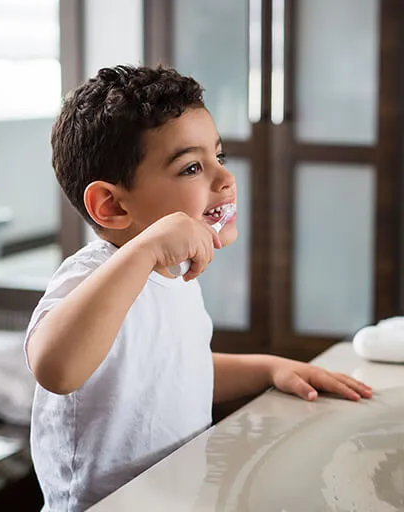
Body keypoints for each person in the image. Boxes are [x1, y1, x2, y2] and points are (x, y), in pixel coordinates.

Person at [24, 65, 372, 512]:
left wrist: (267, 368)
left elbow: (171, 373)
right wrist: (145, 249)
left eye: (219, 158)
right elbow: (55, 367)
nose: (224, 179)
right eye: (191, 167)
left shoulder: (175, 272)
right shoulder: (95, 274)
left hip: (174, 495)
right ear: (110, 205)